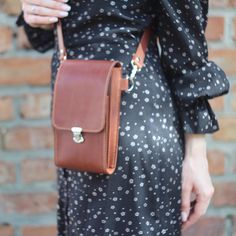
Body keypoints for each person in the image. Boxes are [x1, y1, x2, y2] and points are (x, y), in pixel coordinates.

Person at [16, 0, 230, 235]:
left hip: (133, 127)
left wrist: (196, 152)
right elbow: (42, 37)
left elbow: (186, 50)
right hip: (77, 127)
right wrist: (37, 13)